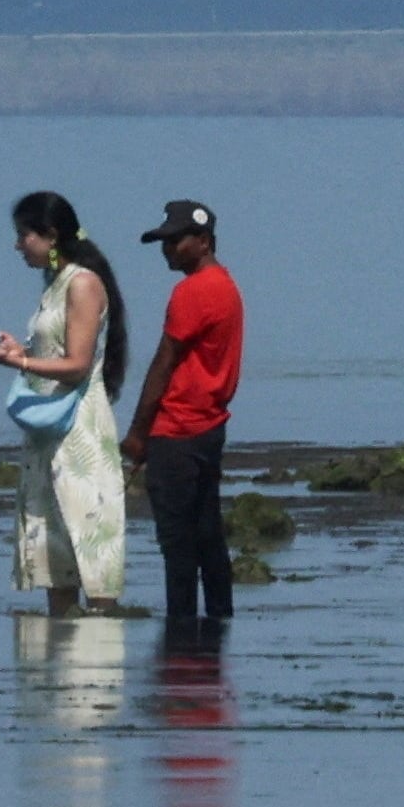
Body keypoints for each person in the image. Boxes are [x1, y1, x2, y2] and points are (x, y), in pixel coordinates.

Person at [0, 190, 128, 614]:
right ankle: (61, 651)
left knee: (89, 540)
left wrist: (20, 360)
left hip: (79, 429)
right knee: (55, 549)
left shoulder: (83, 283)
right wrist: (20, 353)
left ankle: (100, 647)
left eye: (23, 236)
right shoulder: (56, 284)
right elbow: (53, 355)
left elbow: (77, 364)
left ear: (50, 235)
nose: (18, 246)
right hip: (50, 429)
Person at [124, 198, 245, 625]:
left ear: (204, 241)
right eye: (165, 241)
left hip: (177, 430)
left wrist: (138, 432)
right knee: (208, 534)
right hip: (209, 427)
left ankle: (181, 633)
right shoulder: (227, 287)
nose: (168, 249)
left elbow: (164, 363)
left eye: (177, 241)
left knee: (177, 543)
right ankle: (217, 625)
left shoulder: (192, 291)